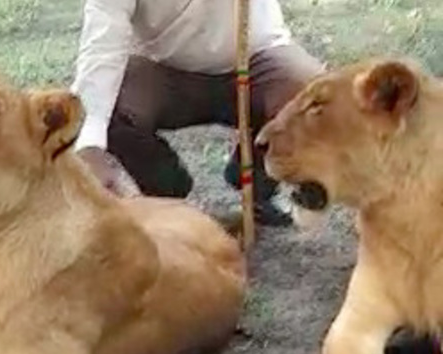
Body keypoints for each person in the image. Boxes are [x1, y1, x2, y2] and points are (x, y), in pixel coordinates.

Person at [70, 0, 324, 227]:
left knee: (304, 90)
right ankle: (168, 197)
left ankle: (258, 183)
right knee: (114, 102)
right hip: (166, 70)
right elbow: (101, 46)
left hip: (256, 59)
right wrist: (90, 145)